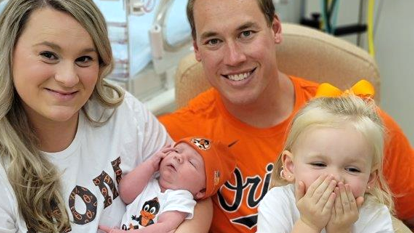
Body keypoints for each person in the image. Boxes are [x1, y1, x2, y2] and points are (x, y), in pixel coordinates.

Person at [158, 0, 414, 232]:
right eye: (213, 41)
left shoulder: (352, 128)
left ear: (276, 30)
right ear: (196, 49)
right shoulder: (173, 137)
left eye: (246, 33)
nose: (234, 58)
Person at [0, 0, 176, 232]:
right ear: (7, 51)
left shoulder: (118, 108)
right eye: (49, 55)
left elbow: (193, 193)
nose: (68, 78)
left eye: (84, 59)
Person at [257, 93, 394, 233]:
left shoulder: (374, 214)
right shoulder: (279, 203)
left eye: (352, 169)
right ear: (290, 167)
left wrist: (341, 230)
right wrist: (308, 224)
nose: (334, 177)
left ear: (370, 178)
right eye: (319, 164)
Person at [98, 137, 237, 232]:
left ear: (201, 191)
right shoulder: (150, 182)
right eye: (177, 151)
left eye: (192, 163)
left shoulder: (182, 199)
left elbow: (164, 227)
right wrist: (151, 165)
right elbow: (125, 193)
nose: (179, 157)